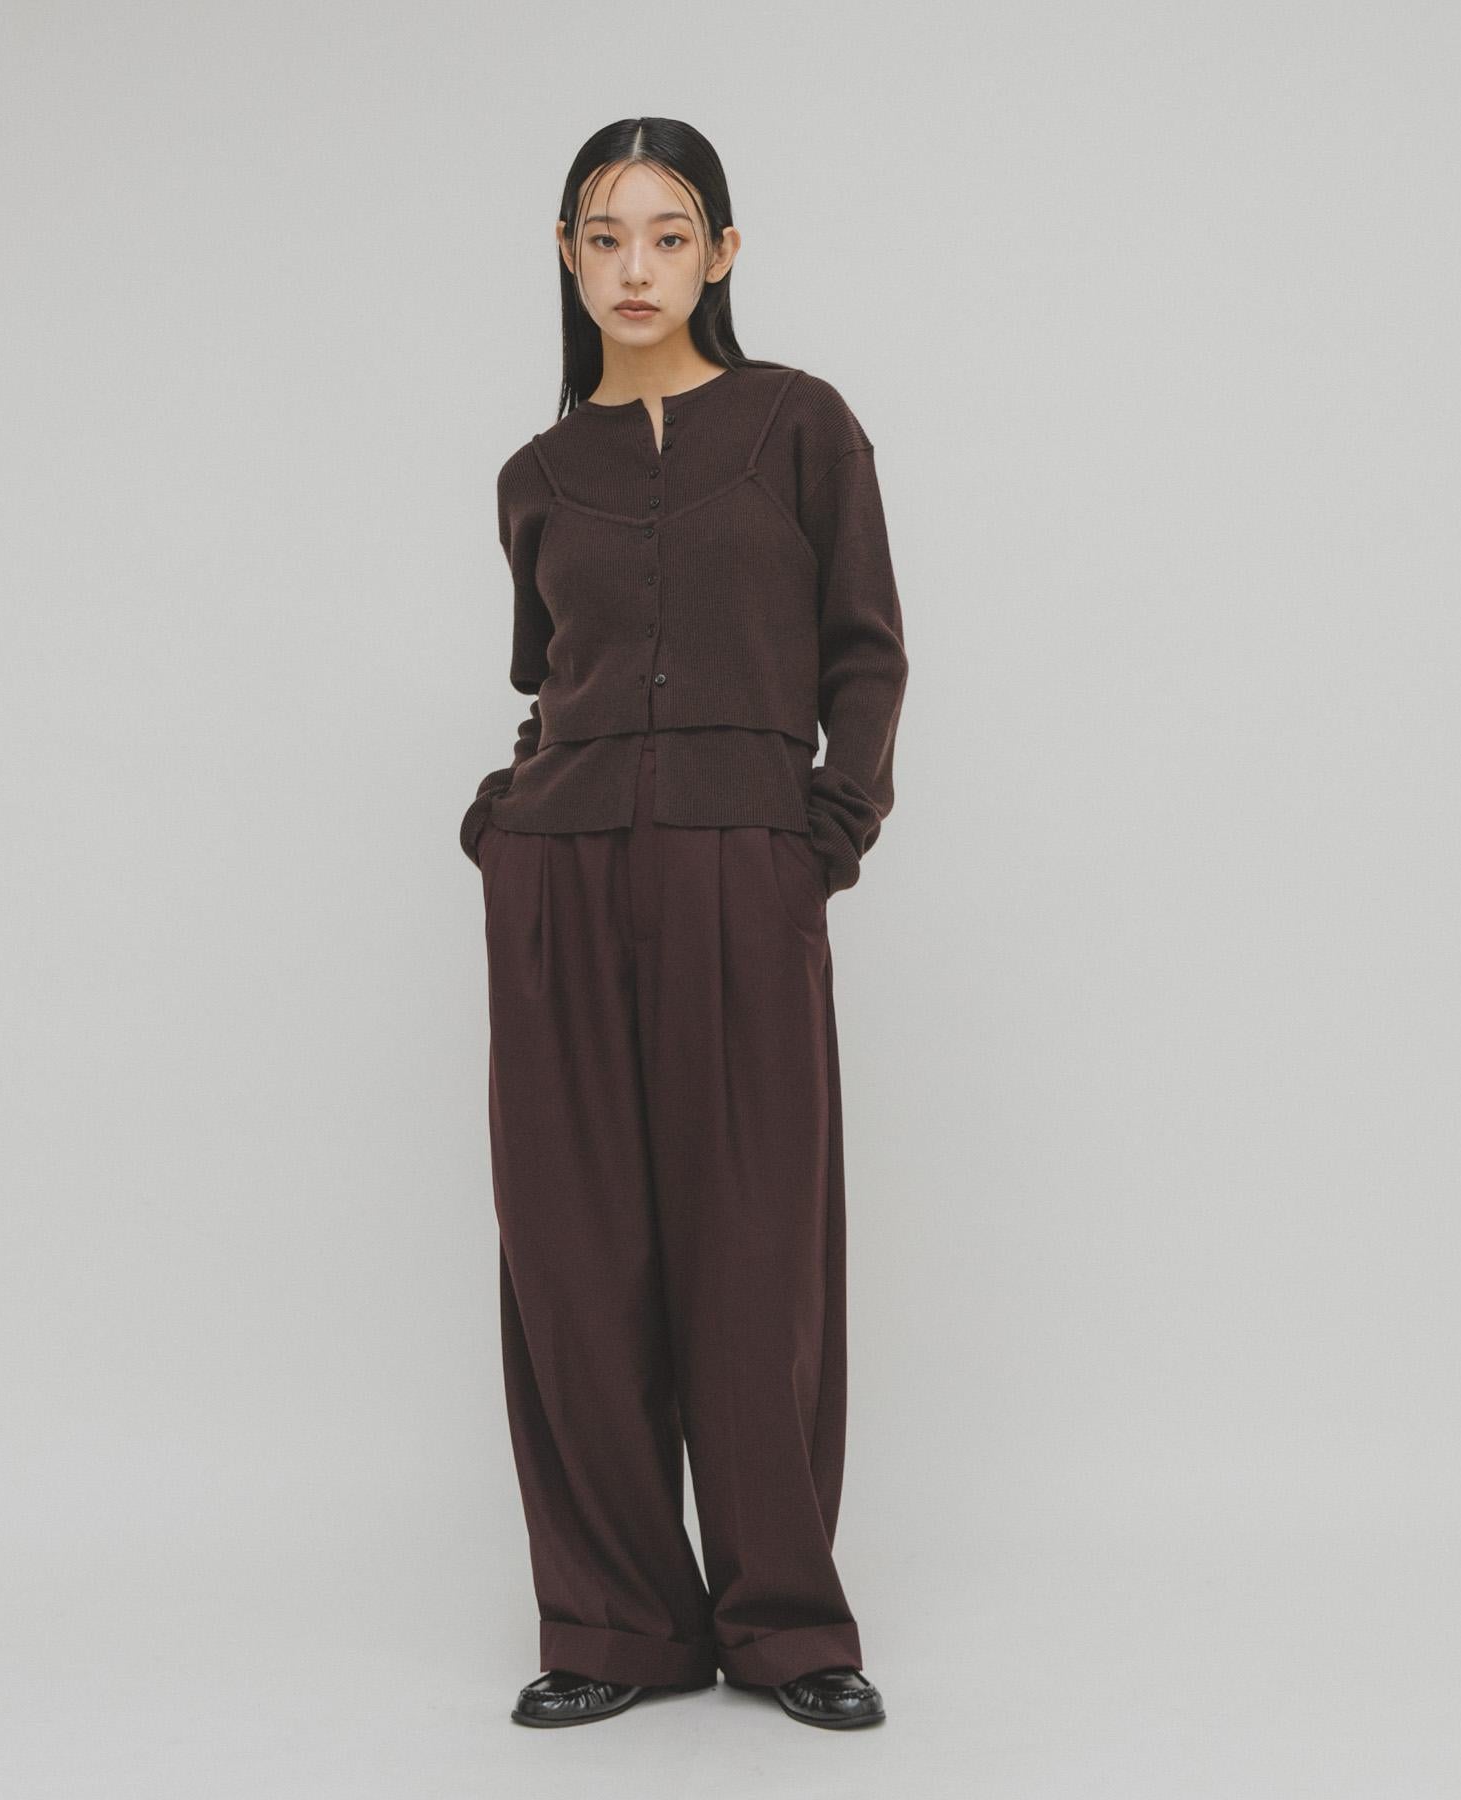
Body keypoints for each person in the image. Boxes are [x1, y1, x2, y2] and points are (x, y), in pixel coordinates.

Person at [459, 118, 908, 1732]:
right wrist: (506, 831)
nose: (633, 267)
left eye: (666, 235)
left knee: (755, 1250)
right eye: (604, 236)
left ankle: (786, 1624)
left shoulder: (800, 426)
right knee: (574, 1257)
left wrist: (821, 836)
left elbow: (866, 654)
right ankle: (614, 1623)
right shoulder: (536, 476)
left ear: (719, 252)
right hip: (562, 878)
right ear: (567, 256)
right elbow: (552, 686)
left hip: (744, 869)